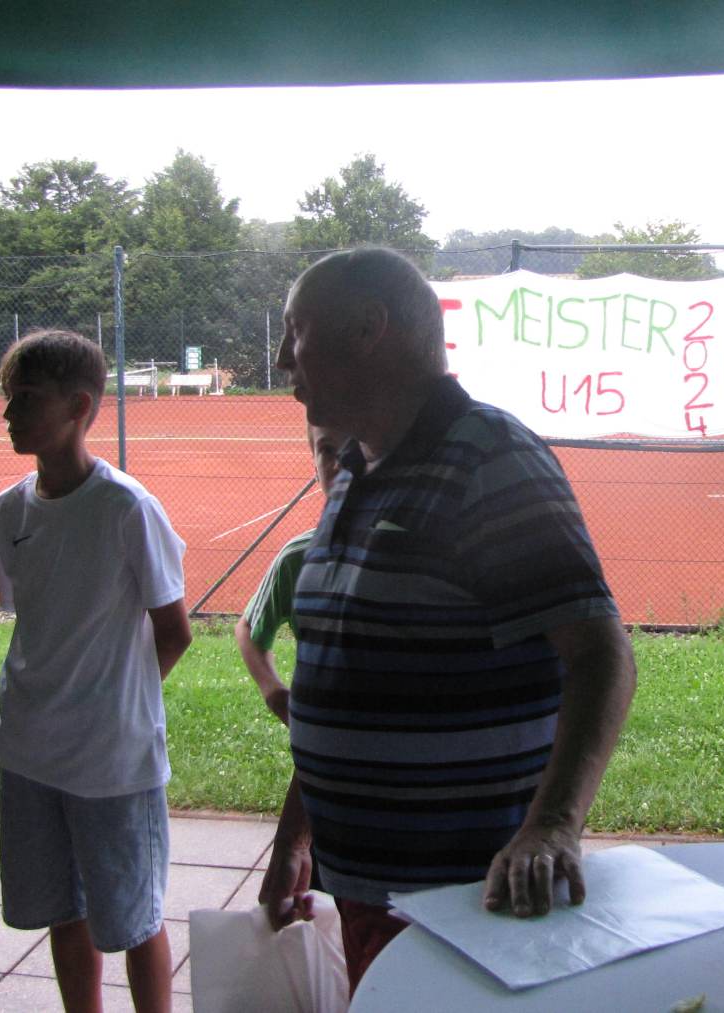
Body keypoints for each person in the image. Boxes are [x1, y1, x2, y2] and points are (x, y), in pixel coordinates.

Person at [257, 247, 638, 991]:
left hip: (466, 904)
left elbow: (601, 654)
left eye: (295, 332)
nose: (280, 359)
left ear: (368, 329)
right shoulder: (356, 472)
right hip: (367, 891)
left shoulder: (491, 459)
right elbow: (345, 677)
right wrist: (294, 838)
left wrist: (552, 826)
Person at [0, 329, 192, 1013]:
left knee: (134, 918)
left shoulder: (127, 508)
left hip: (112, 762)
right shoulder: (7, 511)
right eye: (9, 398)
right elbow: (35, 621)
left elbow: (174, 630)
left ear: (80, 407)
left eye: (26, 399)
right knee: (61, 911)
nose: (9, 413)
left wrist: (115, 702)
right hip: (29, 751)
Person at [233, 424, 347, 724]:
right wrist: (273, 692)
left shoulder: (418, 553)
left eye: (356, 448)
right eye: (328, 451)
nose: (341, 463)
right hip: (321, 735)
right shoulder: (297, 558)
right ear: (315, 468)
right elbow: (248, 628)